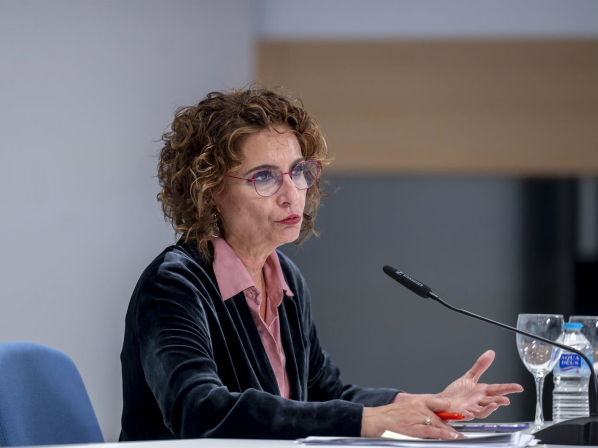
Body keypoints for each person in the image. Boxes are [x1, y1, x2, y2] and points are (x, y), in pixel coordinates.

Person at [120, 87, 523, 442]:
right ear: (209, 190)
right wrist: (367, 422)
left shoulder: (286, 280)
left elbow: (324, 393)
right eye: (264, 177)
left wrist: (422, 405)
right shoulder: (174, 284)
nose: (291, 194)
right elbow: (200, 410)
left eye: (298, 172)